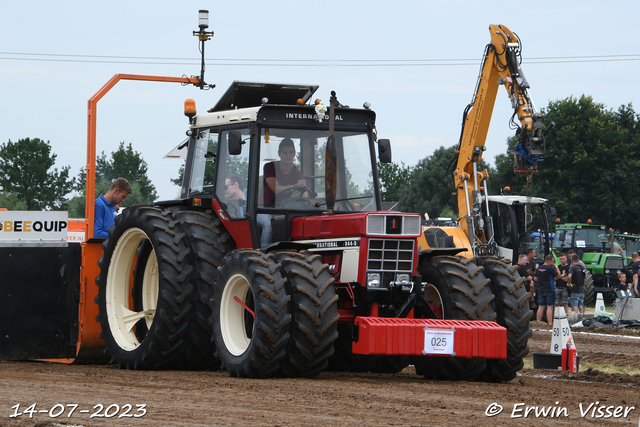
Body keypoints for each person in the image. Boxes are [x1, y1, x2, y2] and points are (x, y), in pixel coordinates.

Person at [257, 138, 306, 248]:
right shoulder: (270, 167)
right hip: (264, 209)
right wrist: (294, 187)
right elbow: (275, 188)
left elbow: (303, 191)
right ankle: (263, 253)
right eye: (285, 152)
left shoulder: (296, 172)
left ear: (294, 154)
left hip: (283, 210)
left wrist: (304, 196)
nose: (288, 156)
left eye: (290, 153)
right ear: (279, 154)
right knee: (268, 226)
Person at [534, 254, 561, 324]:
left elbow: (535, 278)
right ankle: (550, 323)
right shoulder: (550, 268)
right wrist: (556, 266)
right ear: (549, 261)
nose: (553, 263)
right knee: (550, 307)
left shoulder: (539, 268)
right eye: (552, 261)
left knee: (541, 307)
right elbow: (559, 275)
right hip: (549, 289)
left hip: (541, 289)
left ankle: (538, 322)